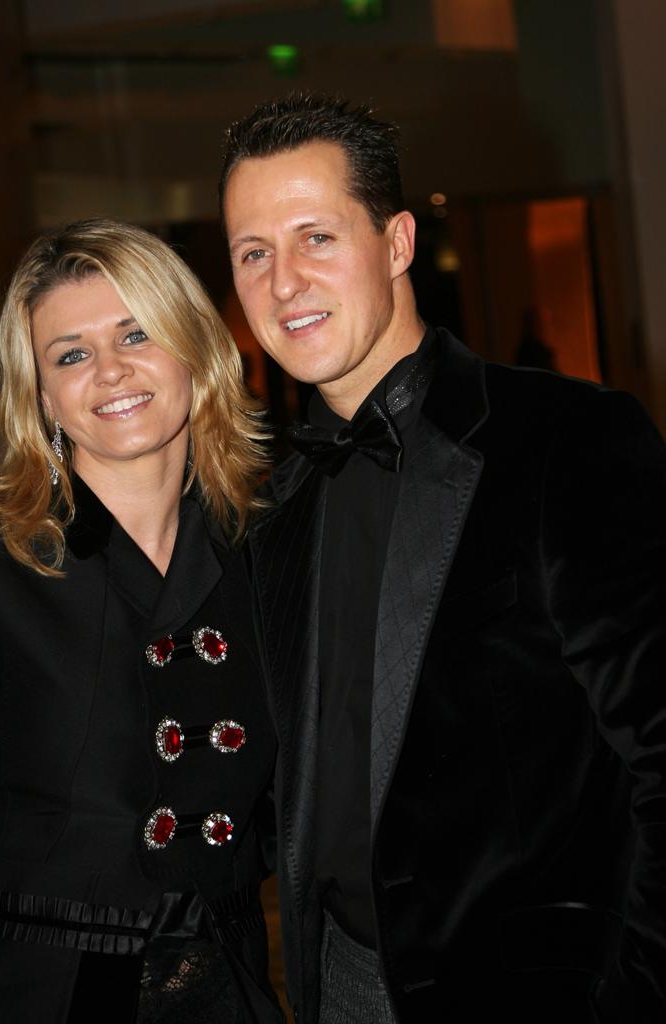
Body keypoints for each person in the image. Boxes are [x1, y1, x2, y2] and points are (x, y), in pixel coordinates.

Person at [219, 93, 666, 1023]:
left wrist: (638, 995)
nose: (285, 281)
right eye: (253, 253)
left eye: (317, 237)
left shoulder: (566, 438)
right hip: (336, 986)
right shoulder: (273, 503)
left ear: (398, 243)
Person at [0, 219, 283, 1024]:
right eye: (71, 354)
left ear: (196, 349)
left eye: (136, 333)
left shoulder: (267, 552)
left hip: (228, 989)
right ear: (41, 397)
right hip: (44, 997)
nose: (111, 371)